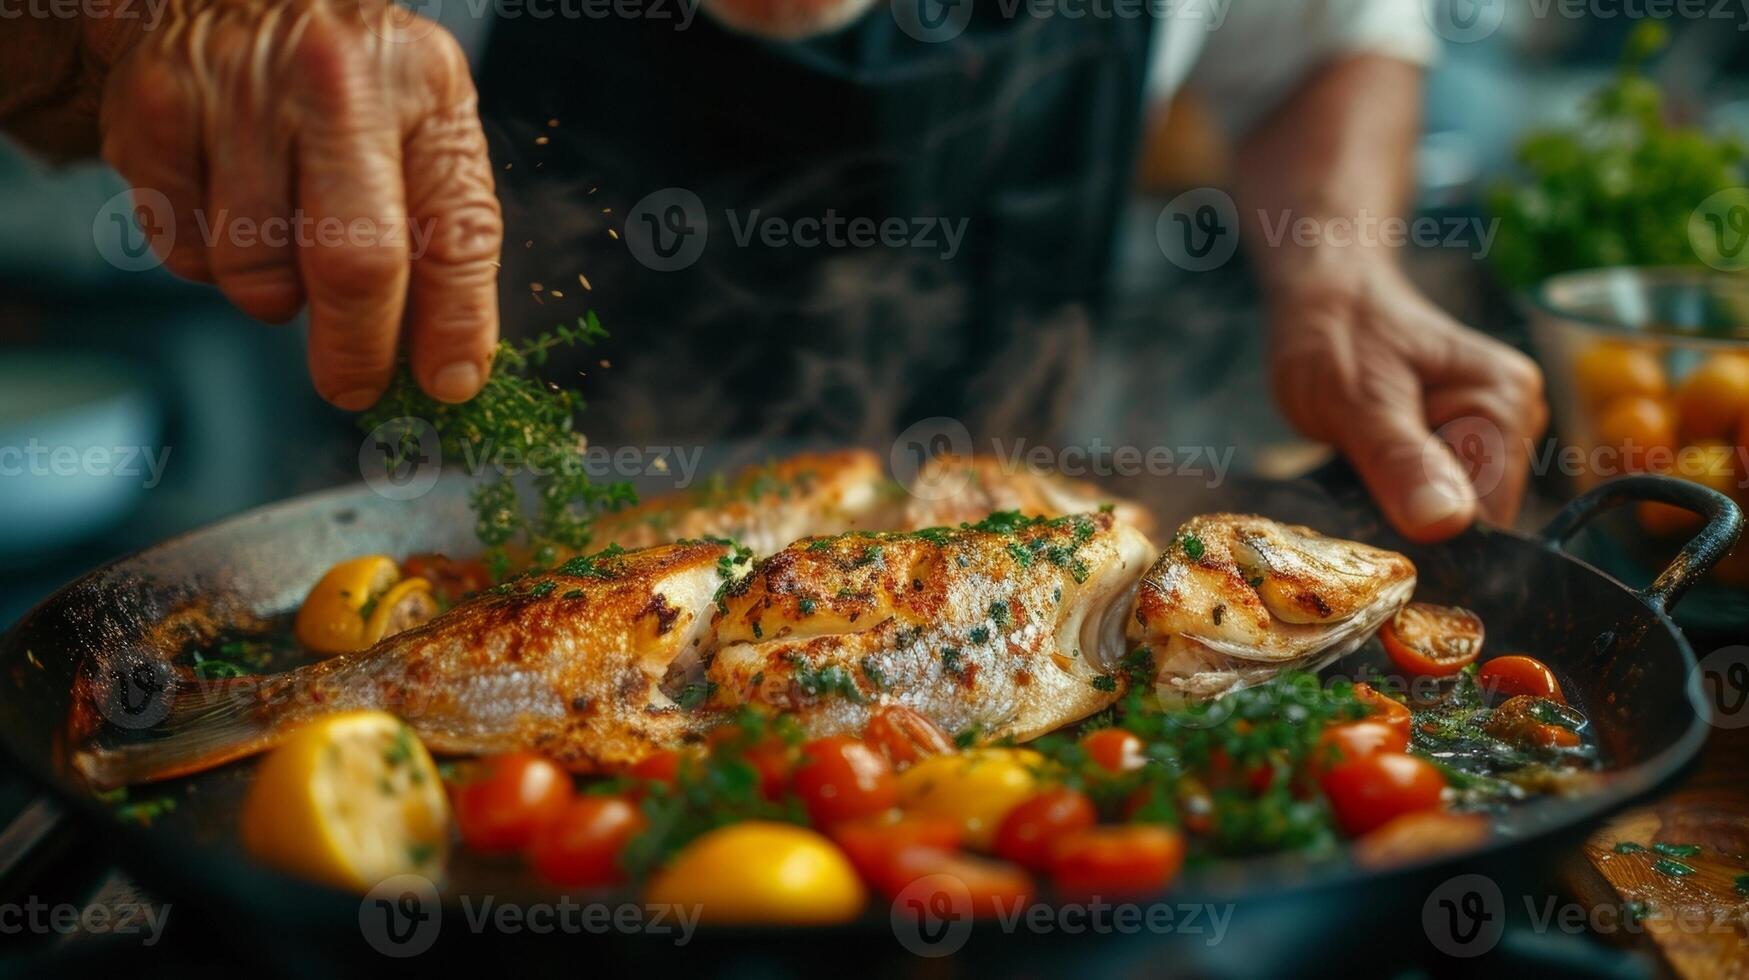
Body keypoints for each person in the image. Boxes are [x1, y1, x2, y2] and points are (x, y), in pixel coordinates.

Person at [0, 0, 1546, 543]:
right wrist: (154, 16)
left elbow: (1330, 35)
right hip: (438, 573)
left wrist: (1337, 278)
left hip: (1020, 624)